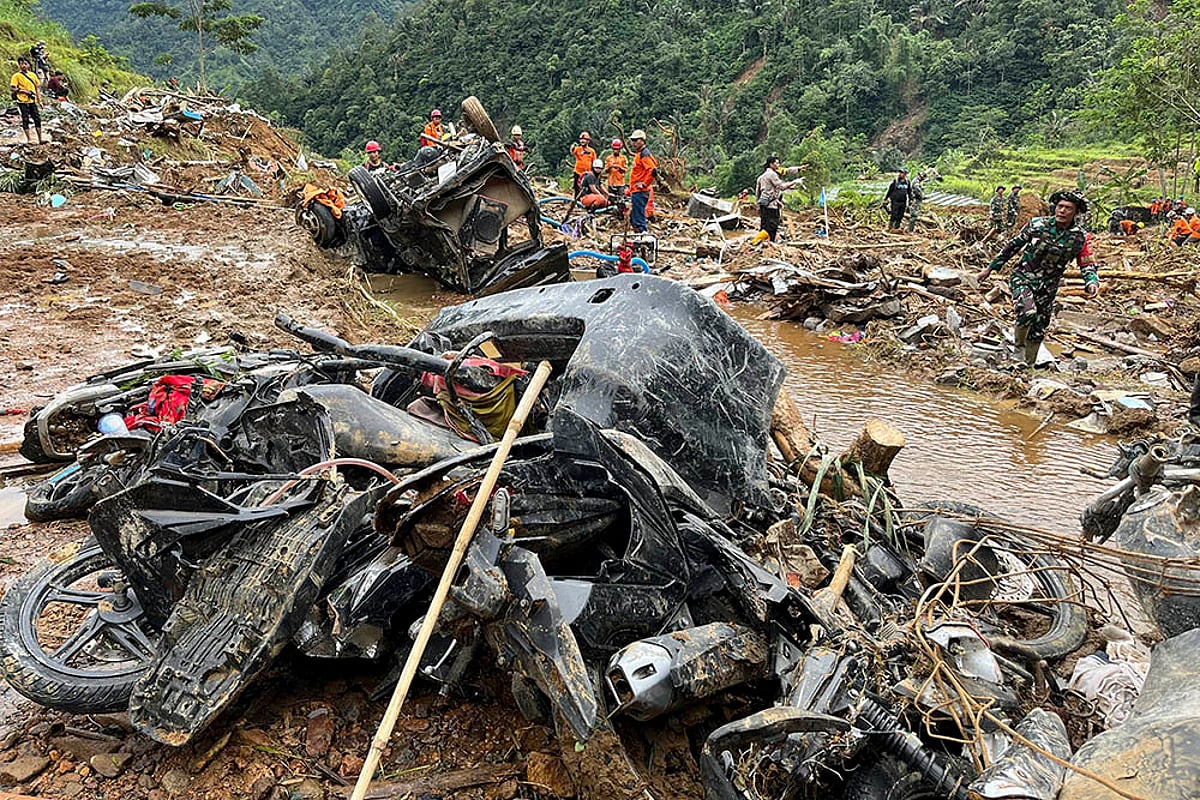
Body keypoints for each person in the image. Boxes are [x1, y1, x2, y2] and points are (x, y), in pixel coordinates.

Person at [977, 190, 1098, 365]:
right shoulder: (1037, 225)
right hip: (1023, 277)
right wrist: (990, 268)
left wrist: (1091, 282)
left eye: (1068, 208)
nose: (1062, 211)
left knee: (1039, 326)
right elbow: (1012, 247)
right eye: (1060, 207)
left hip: (1049, 285)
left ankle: (1028, 366)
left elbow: (1087, 263)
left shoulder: (1080, 237)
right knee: (1027, 312)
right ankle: (1018, 352)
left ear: (1076, 213)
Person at [754, 156, 801, 243]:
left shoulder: (761, 177)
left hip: (763, 204)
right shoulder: (772, 174)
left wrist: (758, 207)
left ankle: (765, 243)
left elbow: (757, 194)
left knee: (764, 226)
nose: (778, 165)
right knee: (772, 226)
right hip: (771, 206)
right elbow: (782, 186)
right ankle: (757, 241)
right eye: (777, 163)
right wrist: (795, 181)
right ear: (771, 164)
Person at [627, 129, 658, 233]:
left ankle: (643, 239)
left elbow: (653, 170)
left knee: (639, 219)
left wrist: (644, 184)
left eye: (636, 140)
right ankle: (639, 238)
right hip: (636, 190)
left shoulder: (644, 154)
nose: (634, 143)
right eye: (633, 140)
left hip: (640, 191)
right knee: (634, 218)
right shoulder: (640, 154)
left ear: (642, 141)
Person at [9, 57, 44, 145]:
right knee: (25, 119)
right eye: (21, 64)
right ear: (19, 65)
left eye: (25, 63)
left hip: (32, 101)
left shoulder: (33, 75)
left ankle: (40, 139)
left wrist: (40, 101)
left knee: (37, 119)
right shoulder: (16, 76)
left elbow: (37, 89)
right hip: (22, 101)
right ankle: (29, 139)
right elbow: (13, 88)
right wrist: (24, 91)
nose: (23, 65)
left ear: (28, 64)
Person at [569, 131, 596, 195]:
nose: (582, 141)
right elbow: (572, 152)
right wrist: (572, 147)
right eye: (581, 139)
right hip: (578, 172)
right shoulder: (578, 149)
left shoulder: (592, 151)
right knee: (577, 189)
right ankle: (577, 202)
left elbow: (594, 162)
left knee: (586, 188)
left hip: (587, 174)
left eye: (584, 140)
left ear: (588, 141)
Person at [604, 138, 628, 205]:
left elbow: (625, 170)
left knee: (621, 199)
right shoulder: (609, 158)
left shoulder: (623, 158)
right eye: (614, 149)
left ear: (620, 149)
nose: (615, 151)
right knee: (611, 199)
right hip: (611, 182)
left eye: (617, 149)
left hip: (620, 183)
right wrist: (610, 167)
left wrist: (620, 168)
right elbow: (605, 170)